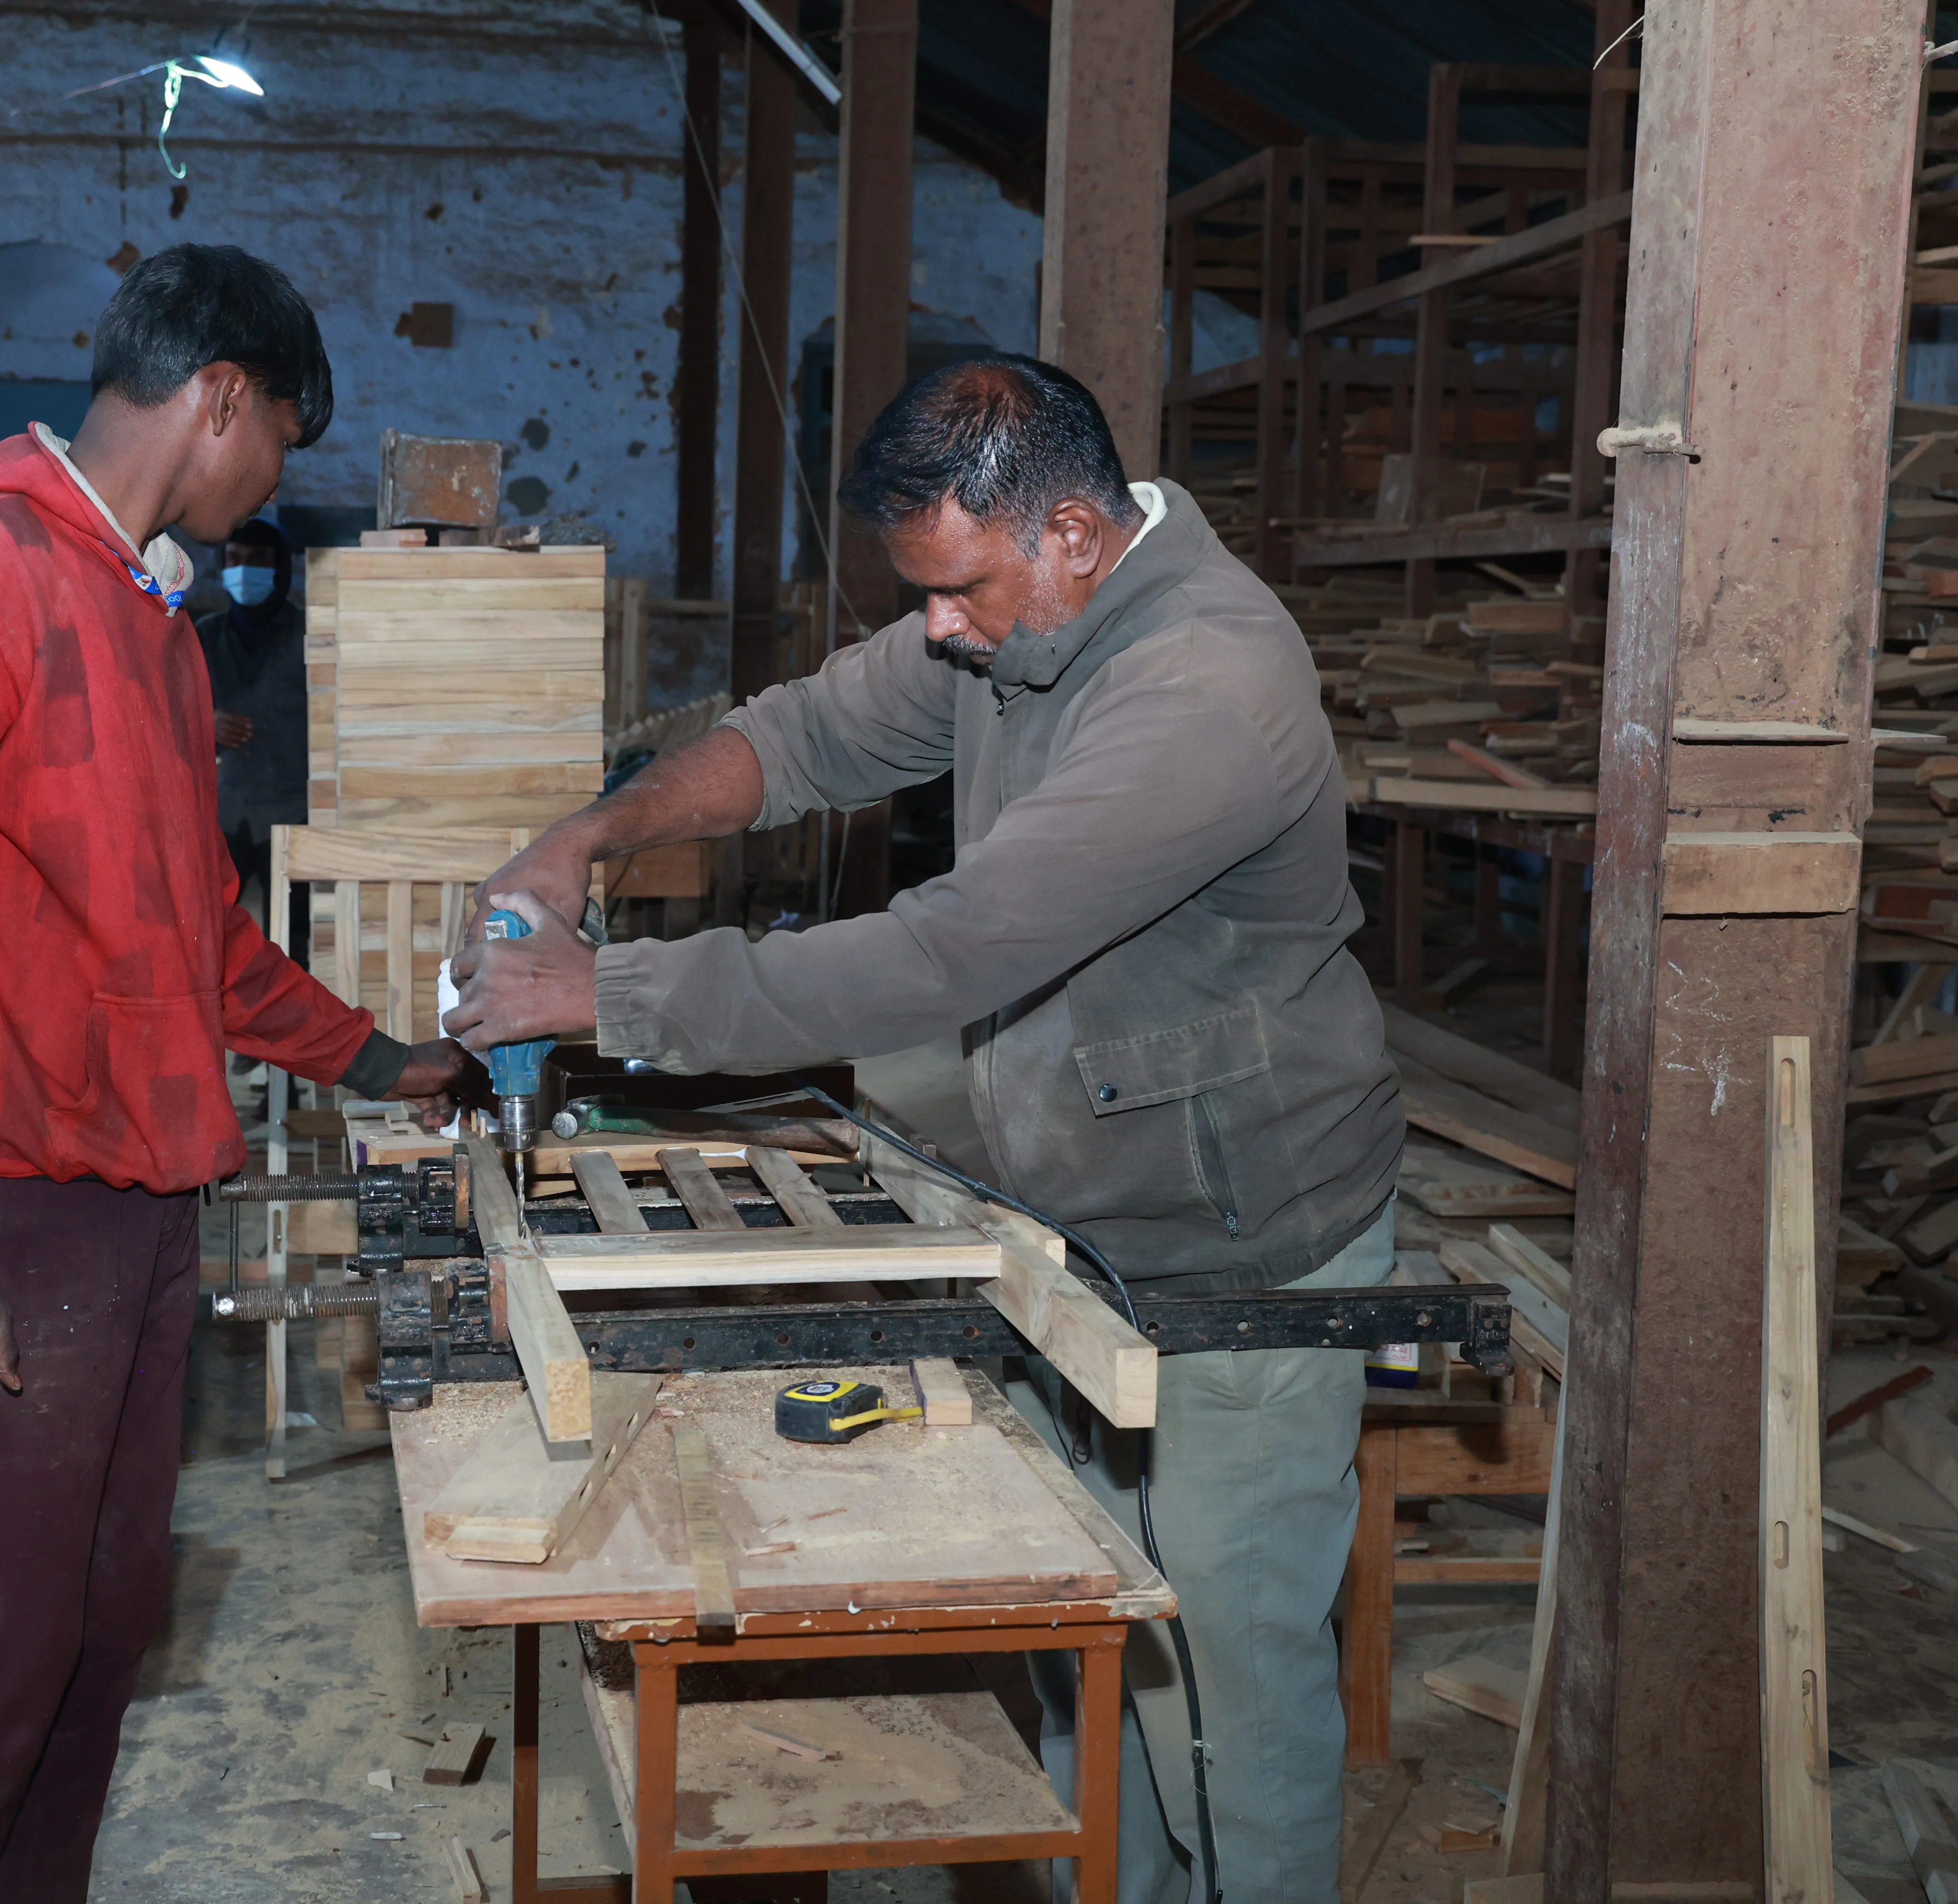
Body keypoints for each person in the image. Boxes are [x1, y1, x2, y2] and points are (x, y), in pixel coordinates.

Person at [445, 353, 1402, 1904]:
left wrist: (605, 991)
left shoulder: (1204, 690)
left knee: (1225, 1688)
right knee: (1097, 1652)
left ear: (1074, 532)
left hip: (1251, 1247)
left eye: (956, 590)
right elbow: (800, 735)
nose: (938, 630)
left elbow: (952, 949)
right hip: (1085, 1211)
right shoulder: (1012, 617)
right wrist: (588, 834)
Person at [0, 243, 479, 1904]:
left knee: (105, 1631)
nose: (268, 492)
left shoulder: (148, 625)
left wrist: (380, 1057)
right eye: (277, 450)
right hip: (18, 1211)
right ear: (221, 401)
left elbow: (205, 947)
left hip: (143, 1204)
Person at [190, 514, 309, 904]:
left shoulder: (310, 637)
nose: (244, 571)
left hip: (295, 810)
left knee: (299, 928)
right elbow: (167, 713)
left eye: (257, 560)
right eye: (235, 559)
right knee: (215, 921)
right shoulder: (204, 636)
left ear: (279, 568)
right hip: (226, 811)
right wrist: (203, 725)